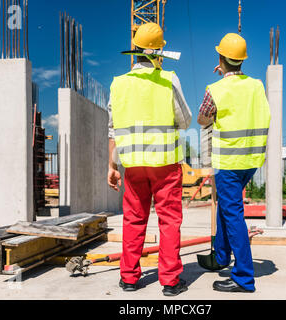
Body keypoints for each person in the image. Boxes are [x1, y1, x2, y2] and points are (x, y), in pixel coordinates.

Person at [107, 23, 192, 297]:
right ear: (159, 53)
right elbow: (185, 120)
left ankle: (129, 278)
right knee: (168, 220)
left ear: (134, 52)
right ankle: (169, 281)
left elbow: (113, 129)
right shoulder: (169, 79)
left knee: (133, 219)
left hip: (132, 164)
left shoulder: (118, 84)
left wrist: (111, 165)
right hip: (165, 163)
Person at [197, 33, 271, 293]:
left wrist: (219, 91)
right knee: (226, 208)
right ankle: (220, 256)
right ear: (242, 61)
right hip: (251, 160)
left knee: (232, 214)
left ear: (220, 59)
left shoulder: (215, 90)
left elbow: (202, 119)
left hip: (228, 162)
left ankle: (244, 278)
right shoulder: (257, 85)